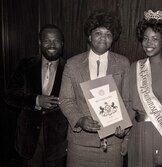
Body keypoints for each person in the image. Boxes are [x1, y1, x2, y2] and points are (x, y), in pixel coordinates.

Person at [59, 10, 130, 167]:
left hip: (112, 145)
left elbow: (128, 101)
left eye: (108, 34)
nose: (103, 37)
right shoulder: (72, 64)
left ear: (113, 39)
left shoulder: (123, 63)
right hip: (80, 145)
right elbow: (65, 100)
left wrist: (124, 129)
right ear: (89, 37)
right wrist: (79, 120)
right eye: (98, 33)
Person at [5, 24, 68, 167]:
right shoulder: (25, 65)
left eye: (56, 41)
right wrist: (36, 100)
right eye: (47, 41)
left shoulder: (70, 68)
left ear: (62, 43)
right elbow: (9, 95)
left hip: (58, 141)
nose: (52, 45)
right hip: (28, 139)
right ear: (40, 43)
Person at [126, 10, 162, 167]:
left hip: (159, 134)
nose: (148, 43)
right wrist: (125, 137)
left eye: (154, 39)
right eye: (145, 38)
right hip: (137, 133)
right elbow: (131, 105)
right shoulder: (135, 67)